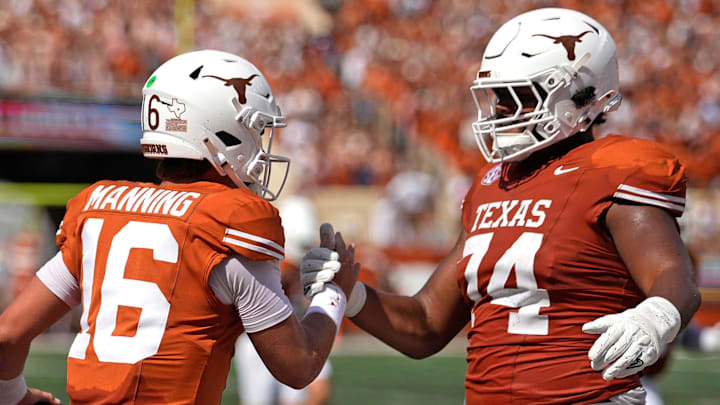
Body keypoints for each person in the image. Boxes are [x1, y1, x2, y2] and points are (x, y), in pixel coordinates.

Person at [301, 8, 700, 404]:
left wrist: (656, 316)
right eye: (499, 97)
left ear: (582, 97)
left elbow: (672, 275)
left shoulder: (614, 167)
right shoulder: (493, 184)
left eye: (522, 95)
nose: (503, 111)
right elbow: (425, 324)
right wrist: (352, 296)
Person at [0, 49, 358, 405]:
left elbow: (7, 335)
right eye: (254, 130)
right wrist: (333, 294)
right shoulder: (228, 222)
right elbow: (297, 366)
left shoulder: (98, 211)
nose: (261, 148)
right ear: (220, 133)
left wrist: (15, 397)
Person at [235, 196, 333, 405]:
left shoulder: (300, 263)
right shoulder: (271, 264)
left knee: (316, 392)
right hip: (261, 338)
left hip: (297, 334)